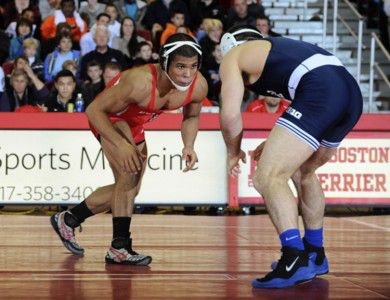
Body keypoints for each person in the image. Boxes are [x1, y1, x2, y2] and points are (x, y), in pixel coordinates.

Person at [218, 25, 363, 288]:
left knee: (268, 177)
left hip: (321, 90)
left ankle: (293, 257)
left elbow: (229, 115)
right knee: (303, 171)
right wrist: (276, 144)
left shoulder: (233, 57)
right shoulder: (276, 49)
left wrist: (232, 151)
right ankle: (315, 253)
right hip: (350, 91)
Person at [50, 33, 208, 265]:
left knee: (130, 189)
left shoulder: (198, 85)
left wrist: (189, 144)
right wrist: (121, 144)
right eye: (180, 67)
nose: (187, 74)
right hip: (109, 118)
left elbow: (192, 116)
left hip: (135, 124)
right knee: (129, 175)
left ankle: (70, 219)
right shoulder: (140, 81)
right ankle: (119, 247)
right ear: (165, 63)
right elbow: (93, 111)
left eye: (193, 67)